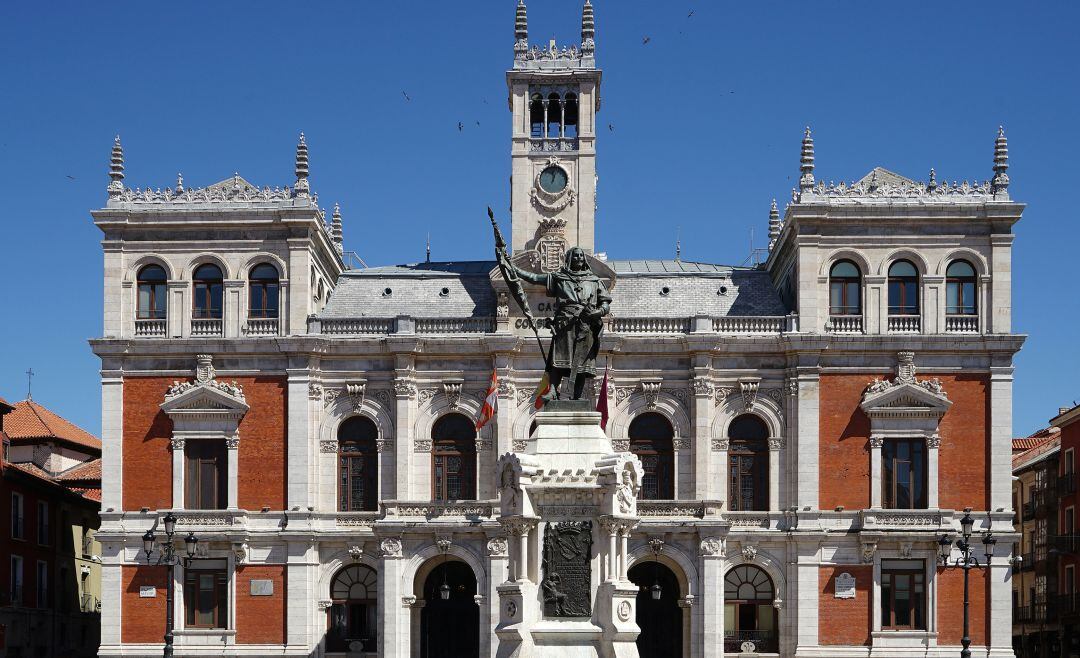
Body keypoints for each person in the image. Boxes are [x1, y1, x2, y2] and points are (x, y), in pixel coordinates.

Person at [500, 247, 611, 400]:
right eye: (575, 256)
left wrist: (598, 312)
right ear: (569, 259)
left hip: (586, 324)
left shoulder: (594, 280)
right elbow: (533, 278)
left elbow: (605, 303)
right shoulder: (560, 277)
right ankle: (552, 390)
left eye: (581, 256)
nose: (578, 259)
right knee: (558, 358)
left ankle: (577, 397)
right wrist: (513, 269)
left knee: (581, 363)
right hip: (564, 324)